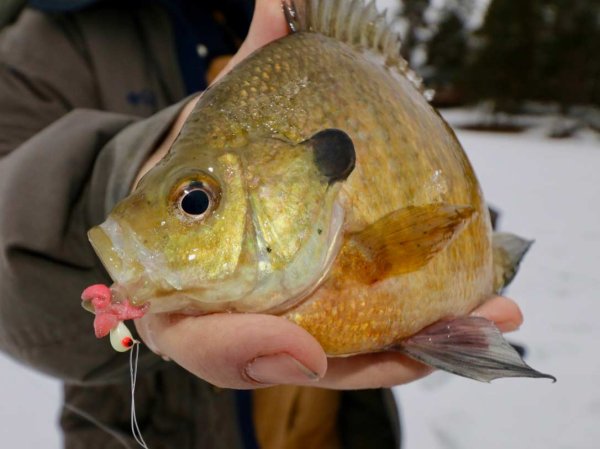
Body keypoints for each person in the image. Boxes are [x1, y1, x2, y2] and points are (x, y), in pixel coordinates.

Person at [0, 0, 525, 448]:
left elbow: (436, 208)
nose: (193, 206)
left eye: (195, 202)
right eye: (197, 200)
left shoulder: (301, 33)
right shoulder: (49, 42)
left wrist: (469, 265)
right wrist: (116, 178)